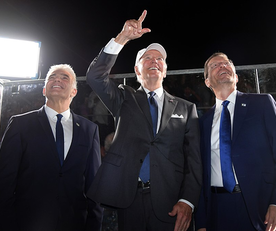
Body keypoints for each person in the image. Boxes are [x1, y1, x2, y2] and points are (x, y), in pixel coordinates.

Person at [86, 10, 202, 231]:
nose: (154, 61)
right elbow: (94, 77)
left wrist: (188, 201)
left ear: (165, 71)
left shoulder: (187, 109)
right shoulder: (123, 97)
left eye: (160, 59)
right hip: (129, 200)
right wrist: (122, 38)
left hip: (171, 204)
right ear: (137, 70)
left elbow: (194, 161)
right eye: (147, 58)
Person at [0, 64, 103, 231]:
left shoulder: (89, 129)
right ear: (44, 90)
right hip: (27, 223)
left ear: (74, 92)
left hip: (75, 224)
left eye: (64, 77)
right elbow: (5, 183)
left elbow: (94, 186)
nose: (57, 79)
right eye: (52, 77)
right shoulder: (20, 125)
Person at [195, 52, 276, 231]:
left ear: (236, 76)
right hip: (219, 210)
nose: (222, 66)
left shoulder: (263, 103)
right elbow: (200, 173)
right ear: (207, 82)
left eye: (227, 64)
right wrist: (202, 222)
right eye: (214, 66)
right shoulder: (202, 122)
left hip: (263, 207)